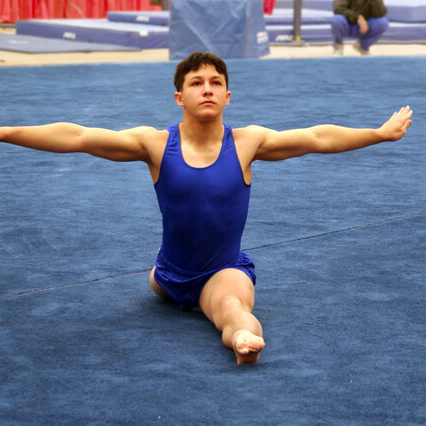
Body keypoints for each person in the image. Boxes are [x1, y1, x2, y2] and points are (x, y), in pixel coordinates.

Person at [0, 51, 412, 364]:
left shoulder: (247, 143)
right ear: (180, 96)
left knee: (229, 308)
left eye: (216, 82)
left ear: (228, 96)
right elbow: (78, 136)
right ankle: (175, 283)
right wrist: (5, 132)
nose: (208, 89)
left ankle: (243, 341)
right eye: (197, 83)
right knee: (162, 280)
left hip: (222, 271)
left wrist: (378, 134)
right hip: (166, 274)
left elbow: (317, 137)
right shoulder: (155, 144)